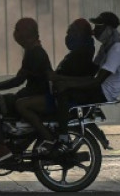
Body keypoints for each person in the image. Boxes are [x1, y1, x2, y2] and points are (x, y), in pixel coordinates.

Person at [47, 11, 120, 152]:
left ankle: (63, 137)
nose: (95, 30)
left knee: (63, 93)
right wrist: (64, 78)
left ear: (109, 29)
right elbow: (92, 71)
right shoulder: (106, 47)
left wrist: (66, 83)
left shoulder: (116, 49)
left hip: (104, 92)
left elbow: (97, 81)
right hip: (99, 87)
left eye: (99, 27)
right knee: (64, 87)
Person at [0, 17, 52, 165]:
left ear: (27, 33)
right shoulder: (32, 51)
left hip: (33, 96)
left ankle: (1, 147)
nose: (15, 34)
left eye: (18, 30)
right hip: (29, 94)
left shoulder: (35, 53)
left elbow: (18, 80)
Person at [15, 18, 96, 149]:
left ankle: (49, 138)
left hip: (64, 98)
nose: (68, 36)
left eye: (72, 32)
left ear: (80, 35)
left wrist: (56, 77)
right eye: (68, 32)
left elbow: (76, 78)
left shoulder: (82, 54)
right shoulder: (79, 52)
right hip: (60, 94)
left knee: (21, 104)